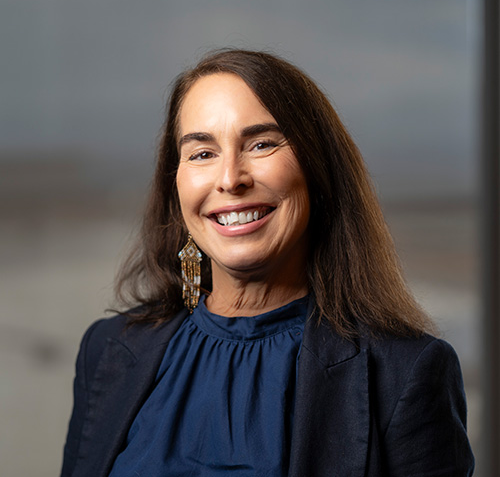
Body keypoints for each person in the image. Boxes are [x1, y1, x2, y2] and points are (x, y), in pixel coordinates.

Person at [61, 49, 475, 476]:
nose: (230, 179)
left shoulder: (407, 373)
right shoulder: (107, 352)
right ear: (176, 185)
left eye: (261, 144)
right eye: (202, 153)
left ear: (317, 169)